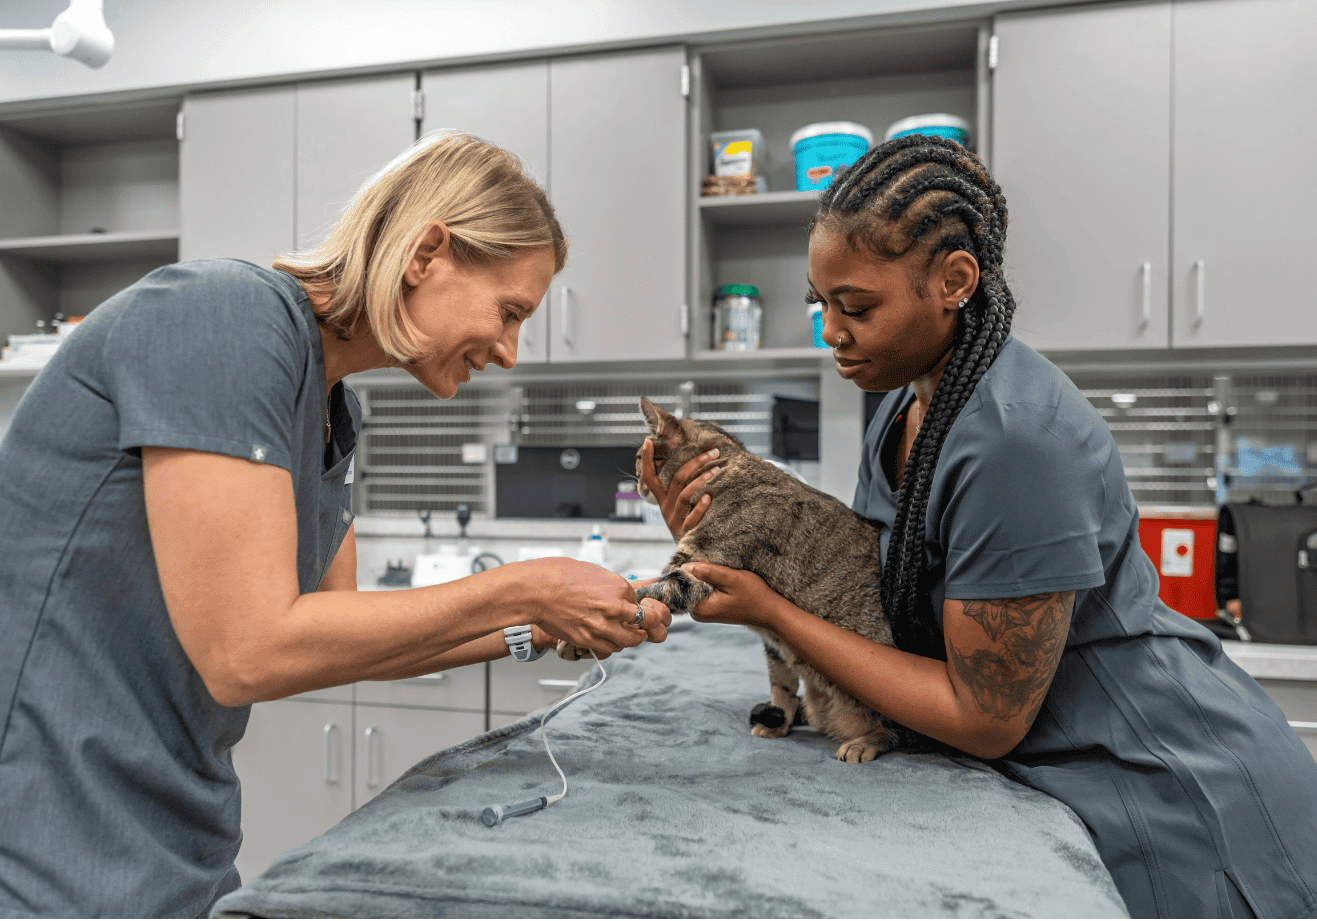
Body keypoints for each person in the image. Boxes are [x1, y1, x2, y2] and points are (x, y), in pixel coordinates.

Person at [641, 135, 1317, 919]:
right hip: (1061, 770)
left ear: (952, 281)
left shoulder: (1015, 439)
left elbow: (982, 715)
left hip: (1166, 784)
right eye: (820, 304)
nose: (830, 331)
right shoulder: (904, 407)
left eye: (856, 306)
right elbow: (867, 583)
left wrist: (770, 610)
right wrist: (718, 529)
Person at [0, 132, 670, 918]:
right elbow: (246, 651)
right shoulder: (222, 317)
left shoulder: (332, 407)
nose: (511, 351)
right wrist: (522, 587)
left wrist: (536, 621)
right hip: (47, 813)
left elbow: (337, 637)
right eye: (509, 310)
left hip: (173, 820)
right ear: (426, 254)